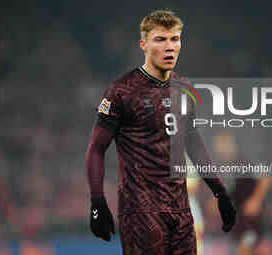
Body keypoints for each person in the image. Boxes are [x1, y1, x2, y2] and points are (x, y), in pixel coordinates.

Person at [86, 10, 236, 255]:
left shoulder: (184, 87)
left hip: (181, 211)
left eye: (174, 39)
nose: (169, 47)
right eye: (160, 39)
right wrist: (97, 202)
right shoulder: (121, 91)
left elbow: (193, 142)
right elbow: (96, 149)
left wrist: (220, 192)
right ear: (144, 45)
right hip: (141, 212)